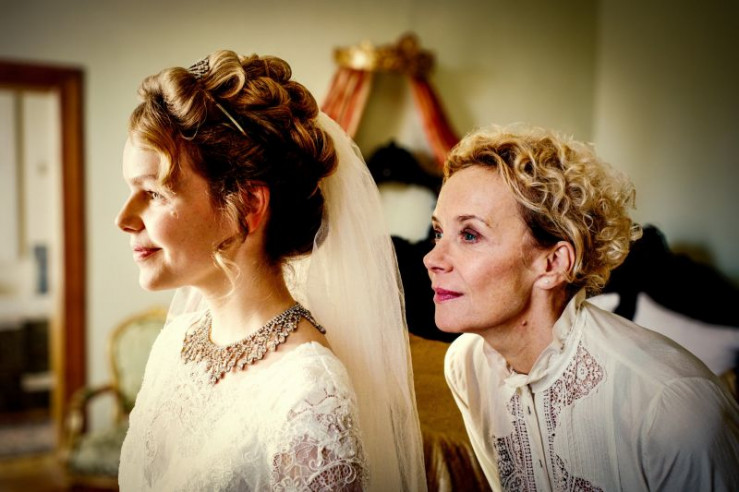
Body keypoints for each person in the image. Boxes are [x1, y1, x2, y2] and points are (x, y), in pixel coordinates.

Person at [116, 49, 426, 491]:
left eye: (154, 193)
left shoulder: (309, 393)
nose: (124, 219)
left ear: (247, 205)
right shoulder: (175, 342)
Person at [424, 124, 739, 491]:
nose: (432, 259)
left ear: (553, 263)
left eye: (470, 234)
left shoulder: (674, 407)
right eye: (439, 232)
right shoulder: (465, 364)